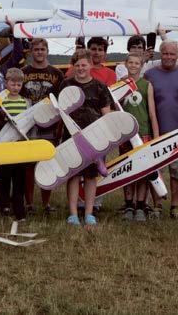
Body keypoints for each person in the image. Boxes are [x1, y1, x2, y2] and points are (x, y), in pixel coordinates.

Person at [60, 49, 113, 227]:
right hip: (71, 139)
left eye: (84, 65)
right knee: (74, 175)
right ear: (73, 67)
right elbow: (60, 111)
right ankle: (73, 214)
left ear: (90, 65)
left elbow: (106, 113)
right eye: (77, 65)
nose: (81, 68)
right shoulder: (66, 85)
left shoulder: (100, 87)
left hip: (96, 139)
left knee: (91, 176)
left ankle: (89, 213)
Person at [144, 40, 178, 219]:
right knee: (156, 171)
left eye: (172, 54)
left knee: (177, 172)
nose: (169, 57)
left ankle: (175, 206)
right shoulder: (150, 74)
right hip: (156, 130)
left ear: (177, 56)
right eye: (165, 53)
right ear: (160, 54)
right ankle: (157, 206)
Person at [20, 38, 63, 212]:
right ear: (31, 51)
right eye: (36, 49)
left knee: (47, 164)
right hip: (29, 123)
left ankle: (46, 203)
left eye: (42, 49)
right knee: (29, 165)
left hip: (50, 124)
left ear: (47, 51)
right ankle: (29, 203)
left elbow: (61, 101)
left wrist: (60, 125)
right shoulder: (23, 72)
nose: (39, 52)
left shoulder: (57, 73)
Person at [119, 52, 160, 222]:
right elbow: (116, 109)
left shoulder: (146, 85)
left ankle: (141, 204)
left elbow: (152, 112)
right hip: (125, 134)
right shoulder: (120, 85)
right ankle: (129, 204)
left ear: (142, 65)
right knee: (128, 169)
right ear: (126, 64)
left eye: (137, 63)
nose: (134, 65)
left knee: (143, 170)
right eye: (131, 62)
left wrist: (156, 137)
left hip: (143, 132)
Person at [0, 68, 31, 221]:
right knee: (4, 177)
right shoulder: (0, 102)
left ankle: (19, 209)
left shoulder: (25, 102)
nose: (15, 87)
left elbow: (29, 122)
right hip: (5, 146)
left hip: (20, 146)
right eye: (12, 84)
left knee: (19, 179)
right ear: (6, 83)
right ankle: (4, 206)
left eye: (18, 84)